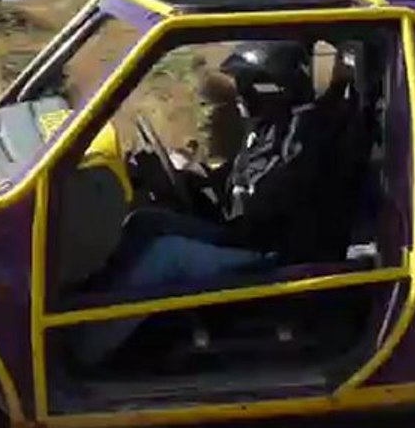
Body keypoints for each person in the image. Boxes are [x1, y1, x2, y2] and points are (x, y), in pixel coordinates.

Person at [73, 41, 329, 368]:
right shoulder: (271, 128)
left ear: (267, 90)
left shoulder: (301, 141)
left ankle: (85, 350)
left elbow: (259, 200)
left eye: (244, 89)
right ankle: (85, 309)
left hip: (267, 255)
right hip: (246, 233)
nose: (237, 98)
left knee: (166, 256)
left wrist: (201, 188)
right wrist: (197, 176)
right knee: (142, 222)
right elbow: (244, 189)